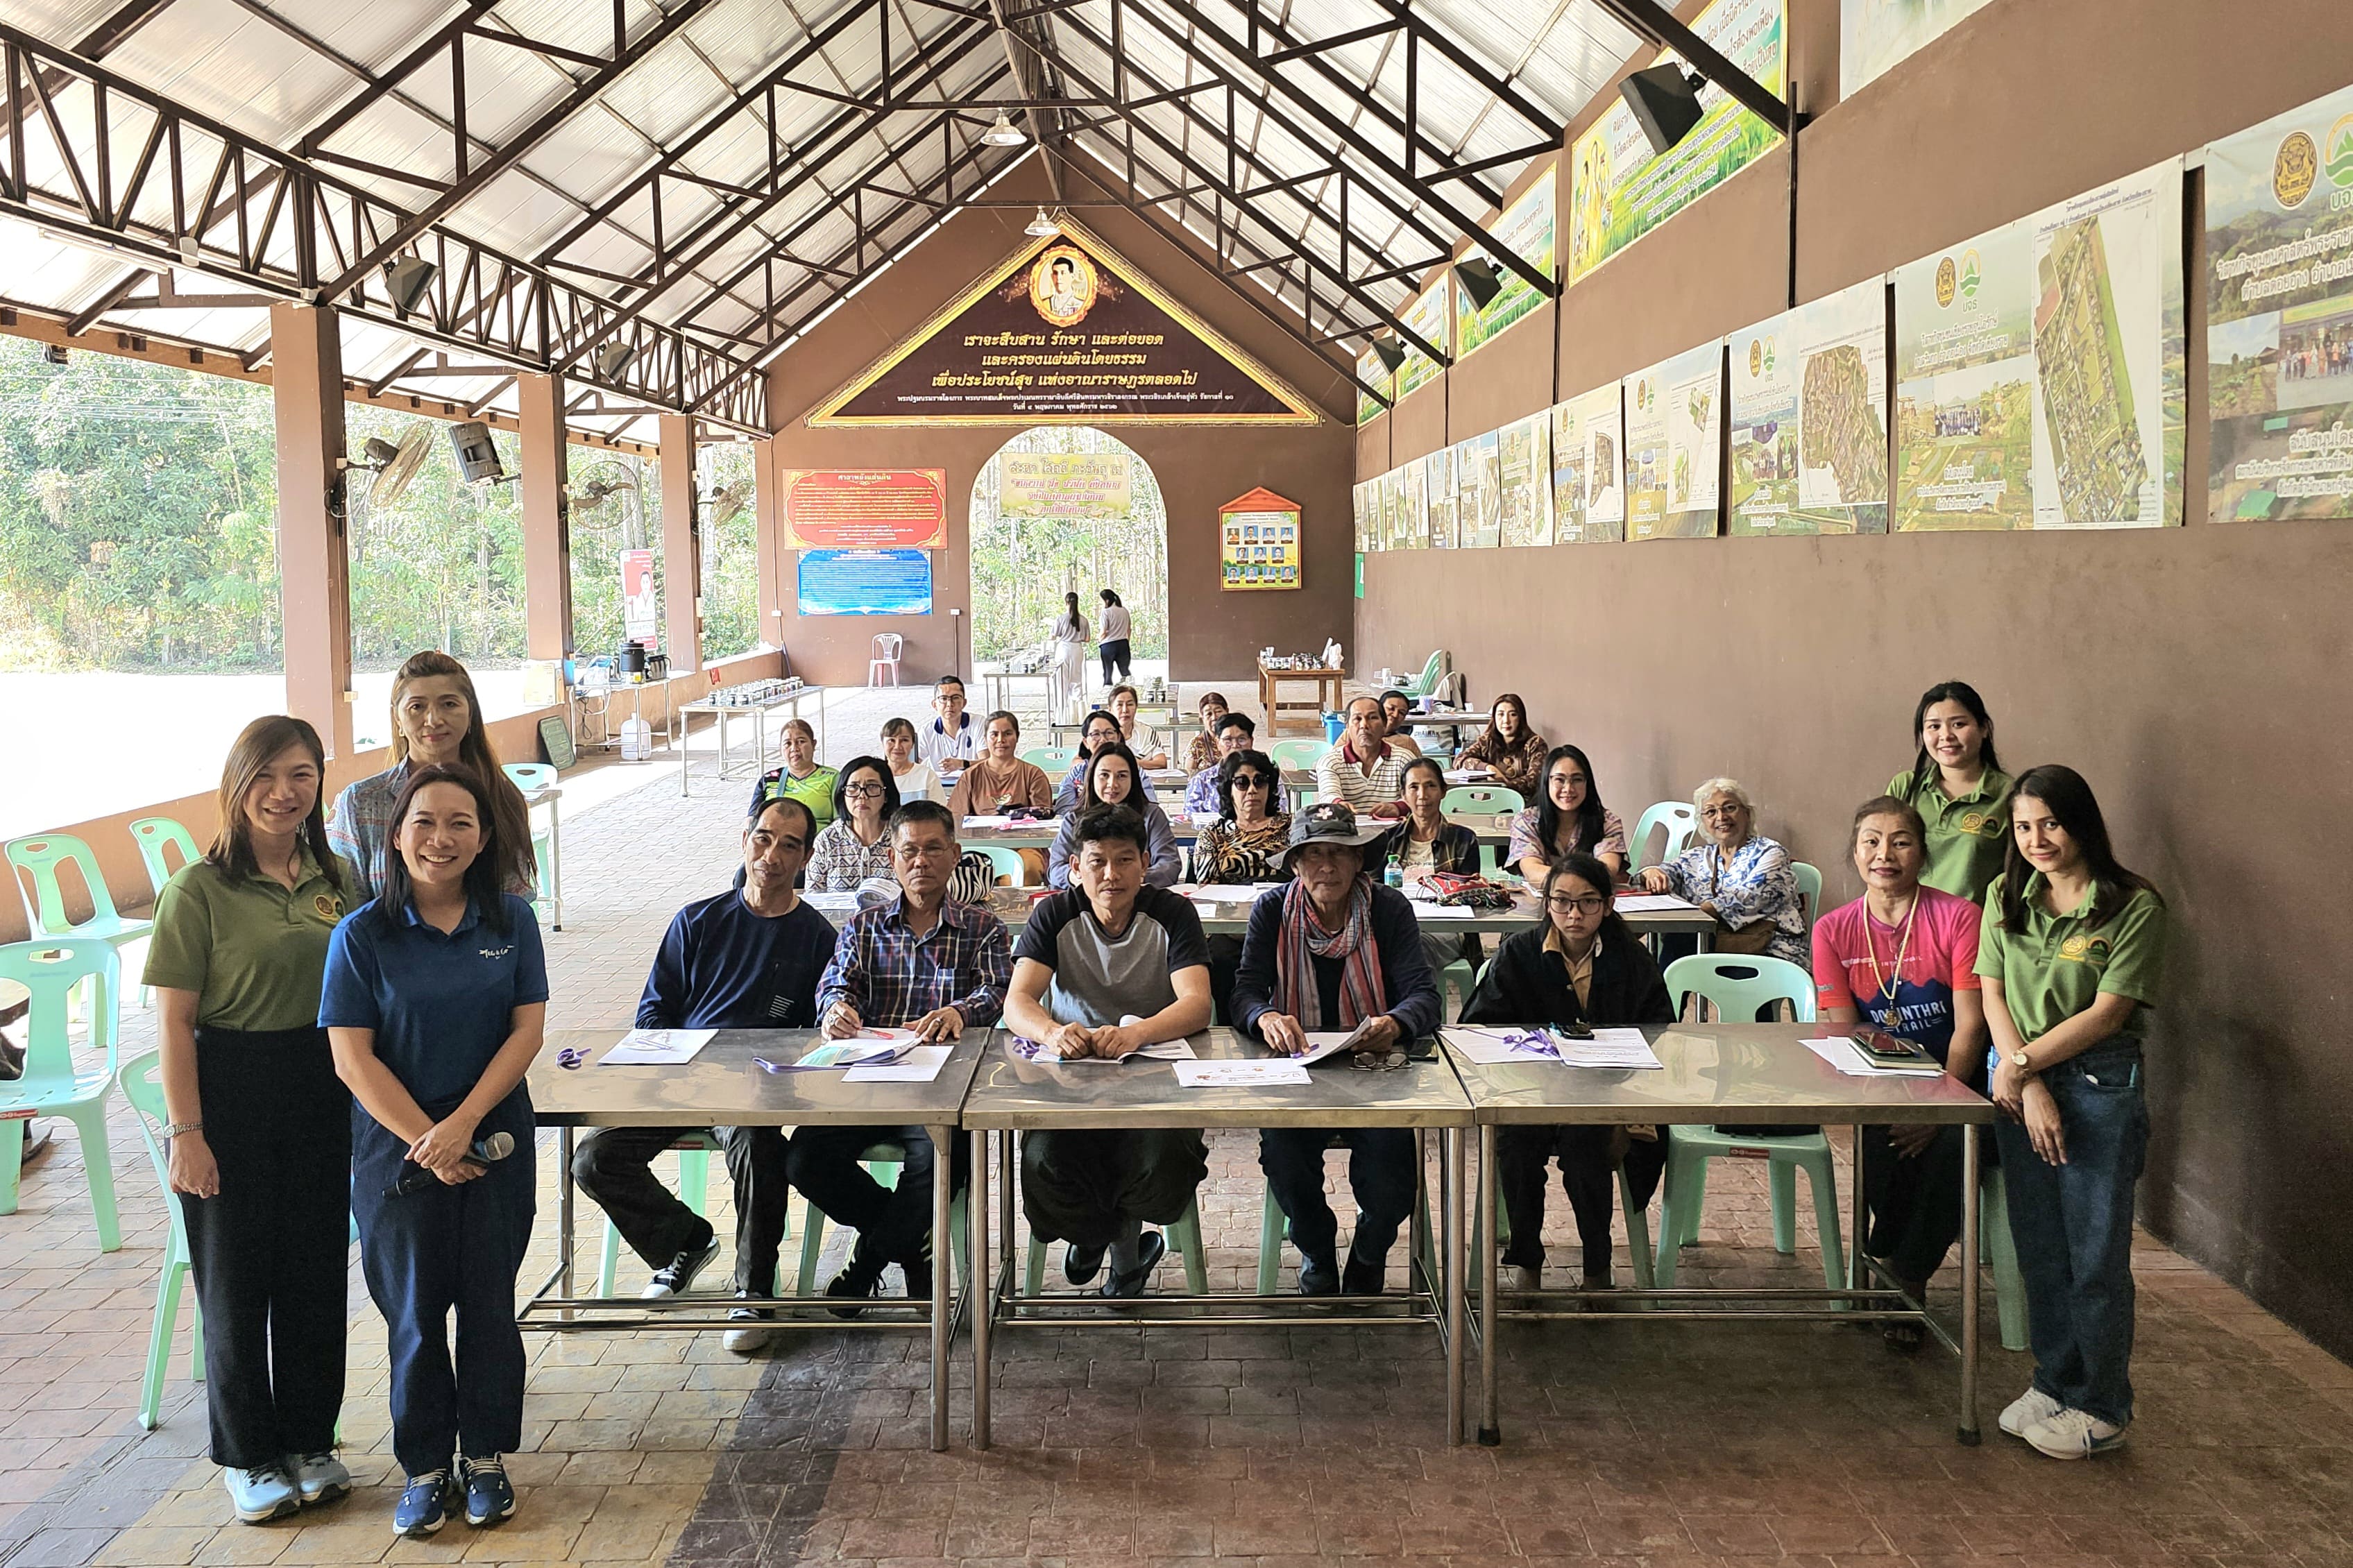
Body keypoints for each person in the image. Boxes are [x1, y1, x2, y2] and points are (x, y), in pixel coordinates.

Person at [322, 765, 547, 1538]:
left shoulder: (510, 921)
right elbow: (353, 1059)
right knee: (414, 1315)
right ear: (396, 834)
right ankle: (423, 1467)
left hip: (494, 1138)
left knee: (488, 1306)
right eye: (424, 822)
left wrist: (464, 1124)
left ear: (484, 839)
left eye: (460, 823)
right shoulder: (360, 936)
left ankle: (484, 1457)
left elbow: (527, 1032)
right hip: (396, 1155)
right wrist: (427, 1138)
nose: (441, 838)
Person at [144, 717, 355, 1523]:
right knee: (235, 1284)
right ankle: (248, 1454)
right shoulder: (197, 889)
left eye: (301, 774)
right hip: (229, 1089)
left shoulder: (334, 877)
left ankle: (310, 1439)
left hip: (320, 1087)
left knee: (311, 1273)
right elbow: (173, 1024)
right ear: (237, 785)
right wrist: (187, 1134)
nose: (284, 791)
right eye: (267, 775)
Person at [575, 797, 836, 1353]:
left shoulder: (816, 936)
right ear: (745, 841)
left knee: (756, 1147)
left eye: (789, 845)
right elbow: (653, 1012)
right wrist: (682, 1060)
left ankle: (755, 1293)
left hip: (755, 1093)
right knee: (594, 1158)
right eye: (763, 838)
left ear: (806, 857)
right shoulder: (695, 921)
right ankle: (685, 1242)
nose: (772, 854)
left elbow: (814, 1033)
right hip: (681, 1081)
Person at [1978, 765, 2165, 1460]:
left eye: (2050, 823)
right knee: (2041, 1250)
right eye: (2023, 826)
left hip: (2097, 1084)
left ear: (2080, 822)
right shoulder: (2005, 895)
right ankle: (2054, 1380)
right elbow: (1992, 993)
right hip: (2022, 1085)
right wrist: (2023, 1079)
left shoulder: (2134, 905)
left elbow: (2109, 1010)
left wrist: (2024, 1067)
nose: (2036, 839)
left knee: (2094, 1256)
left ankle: (2103, 1403)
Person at [806, 801, 1012, 1311]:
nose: (921, 861)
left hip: (946, 1089)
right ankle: (907, 1241)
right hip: (869, 1081)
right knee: (803, 1156)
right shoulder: (864, 927)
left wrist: (962, 1011)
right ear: (892, 861)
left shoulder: (982, 928)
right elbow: (835, 984)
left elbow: (1000, 991)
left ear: (954, 855)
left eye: (933, 849)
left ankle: (867, 1262)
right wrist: (835, 1009)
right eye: (909, 851)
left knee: (939, 1161)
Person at [1004, 805, 1214, 1299]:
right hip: (1071, 1081)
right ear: (1075, 867)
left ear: (1145, 863)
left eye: (1124, 861)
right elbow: (1018, 1001)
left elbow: (1197, 1003)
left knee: (1156, 1158)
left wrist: (1138, 1034)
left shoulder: (1172, 913)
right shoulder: (1054, 912)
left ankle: (1103, 1244)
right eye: (1096, 861)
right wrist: (1053, 1033)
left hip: (1155, 1080)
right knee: (1044, 1159)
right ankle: (1115, 1250)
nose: (1110, 875)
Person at [1234, 802, 1443, 1295]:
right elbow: (1243, 990)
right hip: (1296, 1070)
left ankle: (1371, 1248)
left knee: (1393, 1166)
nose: (1325, 866)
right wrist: (1264, 1016)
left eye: (1338, 853)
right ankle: (1316, 1246)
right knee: (1283, 1156)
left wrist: (1395, 1022)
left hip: (1374, 1066)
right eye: (1312, 855)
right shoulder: (1272, 910)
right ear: (1295, 865)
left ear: (1358, 862)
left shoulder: (1387, 909)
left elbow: (1424, 995)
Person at [1813, 795, 1988, 1349]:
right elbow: (1841, 1031)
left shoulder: (1959, 918)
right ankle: (1888, 1261)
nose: (1883, 854)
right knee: (1880, 1147)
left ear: (1921, 852)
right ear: (1855, 851)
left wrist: (1939, 1106)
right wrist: (1896, 1101)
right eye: (1870, 840)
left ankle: (1906, 1278)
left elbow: (1969, 1026)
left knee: (1946, 1152)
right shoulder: (1834, 930)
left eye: (1900, 841)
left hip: (1957, 1084)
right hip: (1880, 1085)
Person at [1460, 853, 1674, 1295]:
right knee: (1515, 1148)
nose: (1574, 914)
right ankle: (1527, 1261)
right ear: (1547, 903)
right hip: (1532, 1093)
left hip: (1605, 1096)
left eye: (1588, 903)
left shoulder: (1631, 959)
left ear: (1608, 905)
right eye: (1561, 902)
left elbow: (1662, 1031)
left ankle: (1597, 1264)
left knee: (1588, 1150)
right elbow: (1478, 1025)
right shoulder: (1519, 953)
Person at [328, 650, 534, 905]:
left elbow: (514, 905)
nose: (433, 720)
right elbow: (348, 904)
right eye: (417, 706)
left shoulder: (501, 796)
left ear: (471, 713)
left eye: (449, 704)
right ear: (398, 718)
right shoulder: (362, 802)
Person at [1636, 778, 1807, 966]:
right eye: (1711, 812)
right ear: (1702, 822)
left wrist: (1698, 914)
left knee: (1680, 942)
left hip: (1769, 952)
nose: (1721, 817)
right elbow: (1667, 872)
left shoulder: (1770, 852)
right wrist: (1652, 872)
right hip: (1711, 946)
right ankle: (1665, 993)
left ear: (1747, 814)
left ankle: (1665, 994)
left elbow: (1752, 895)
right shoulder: (1698, 856)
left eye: (1729, 808)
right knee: (1672, 949)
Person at [1187, 748, 1291, 1019]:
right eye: (1242, 782)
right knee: (1220, 957)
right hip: (1229, 925)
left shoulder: (1291, 828)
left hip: (1284, 920)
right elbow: (1206, 883)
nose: (1252, 790)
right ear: (1229, 789)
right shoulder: (1214, 833)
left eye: (1260, 781)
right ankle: (1233, 1024)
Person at [1887, 681, 2012, 902]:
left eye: (1958, 724)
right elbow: (1882, 859)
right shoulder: (1905, 787)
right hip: (1909, 924)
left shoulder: (2010, 794)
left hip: (1976, 927)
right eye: (1934, 726)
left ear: (1984, 728)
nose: (1946, 735)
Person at [1048, 742, 1178, 890]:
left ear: (1133, 779)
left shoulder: (1152, 815)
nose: (1112, 784)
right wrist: (1081, 876)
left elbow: (1169, 865)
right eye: (1104, 775)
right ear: (1092, 777)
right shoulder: (1074, 818)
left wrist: (1130, 879)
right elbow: (1056, 869)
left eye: (1121, 776)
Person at [1507, 744, 1627, 883]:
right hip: (1540, 902)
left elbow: (1607, 870)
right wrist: (1583, 878)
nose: (1568, 789)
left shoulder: (1608, 822)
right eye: (1559, 780)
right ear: (1547, 782)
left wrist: (1566, 880)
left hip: (1590, 901)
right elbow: (1532, 871)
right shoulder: (1526, 821)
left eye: (1577, 780)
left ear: (1587, 783)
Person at [806, 759, 900, 891]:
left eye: (872, 787)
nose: (862, 796)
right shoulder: (827, 840)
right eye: (853, 788)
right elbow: (813, 895)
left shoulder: (901, 837)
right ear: (843, 794)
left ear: (886, 795)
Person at [946, 711, 1054, 817]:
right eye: (994, 734)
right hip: (981, 834)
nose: (1001, 740)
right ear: (985, 739)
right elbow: (956, 818)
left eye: (1008, 734)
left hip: (1021, 834)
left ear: (1017, 736)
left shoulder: (1033, 775)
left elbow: (1042, 819)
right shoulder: (970, 776)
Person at [1314, 696, 1407, 819]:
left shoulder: (1403, 759)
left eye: (1373, 718)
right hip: (1345, 832)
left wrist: (1398, 808)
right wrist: (1339, 805)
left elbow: (1417, 798)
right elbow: (1329, 794)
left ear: (1384, 724)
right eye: (1357, 719)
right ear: (1347, 726)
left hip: (1393, 833)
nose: (1364, 725)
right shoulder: (1331, 761)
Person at [749, 718, 838, 833]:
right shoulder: (769, 780)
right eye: (787, 744)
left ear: (813, 744)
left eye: (801, 742)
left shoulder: (833, 778)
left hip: (820, 846)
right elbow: (751, 822)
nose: (794, 749)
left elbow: (841, 822)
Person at [1055, 710, 1148, 815]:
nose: (1103, 739)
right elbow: (1063, 810)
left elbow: (1148, 809)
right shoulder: (1077, 773)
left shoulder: (1136, 772)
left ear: (1118, 737)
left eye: (1109, 733)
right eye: (1096, 734)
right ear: (1086, 742)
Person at [1456, 692, 1547, 795]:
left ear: (1521, 718)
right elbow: (1460, 759)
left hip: (1525, 803)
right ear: (1494, 718)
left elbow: (1534, 781)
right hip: (1492, 800)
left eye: (1513, 714)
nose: (1506, 721)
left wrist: (1502, 784)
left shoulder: (1536, 744)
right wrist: (1488, 768)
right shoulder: (1487, 741)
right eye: (1501, 714)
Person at [1184, 712, 1256, 815]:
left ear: (1251, 741)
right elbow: (1191, 822)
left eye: (1242, 739)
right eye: (1228, 740)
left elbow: (1279, 819)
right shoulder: (1201, 781)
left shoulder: (1267, 778)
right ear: (1218, 743)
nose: (1235, 745)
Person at [915, 674, 979, 767]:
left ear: (964, 703)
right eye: (944, 699)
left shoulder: (978, 724)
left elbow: (988, 763)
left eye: (956, 698)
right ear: (935, 705)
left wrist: (962, 764)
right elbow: (912, 764)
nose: (950, 704)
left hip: (972, 780)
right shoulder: (926, 731)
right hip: (938, 781)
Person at [881, 717, 945, 804]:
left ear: (912, 744)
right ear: (882, 743)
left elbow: (940, 813)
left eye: (904, 740)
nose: (897, 747)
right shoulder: (875, 775)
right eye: (891, 740)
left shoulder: (927, 776)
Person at [1107, 683, 1169, 769]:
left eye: (1130, 704)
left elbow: (1161, 763)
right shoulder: (1103, 735)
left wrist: (1134, 763)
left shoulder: (1147, 732)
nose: (1125, 710)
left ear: (1136, 707)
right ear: (1110, 709)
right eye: (1120, 705)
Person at [1050, 591, 1090, 719]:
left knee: (1062, 682)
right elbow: (1087, 639)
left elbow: (1052, 636)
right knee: (1076, 682)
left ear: (1066, 602)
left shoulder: (1061, 618)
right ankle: (1079, 715)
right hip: (1077, 649)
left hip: (1063, 649)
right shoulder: (1083, 620)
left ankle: (1062, 713)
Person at [1182, 692, 1231, 774]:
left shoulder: (1235, 738)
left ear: (1227, 712)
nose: (1214, 718)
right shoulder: (1197, 743)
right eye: (1209, 714)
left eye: (1218, 711)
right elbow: (1189, 775)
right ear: (1202, 718)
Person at [1096, 588, 1132, 686]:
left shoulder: (1106, 612)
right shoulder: (1124, 611)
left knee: (1108, 674)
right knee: (1125, 673)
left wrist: (1099, 639)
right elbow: (1129, 629)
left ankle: (1107, 696)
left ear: (1106, 600)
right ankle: (1130, 692)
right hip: (1123, 644)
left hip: (1108, 645)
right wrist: (1127, 641)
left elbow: (1104, 631)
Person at [1378, 690, 1424, 759]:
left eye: (1401, 713)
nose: (1395, 715)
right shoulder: (1365, 737)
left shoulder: (1407, 742)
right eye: (1391, 709)